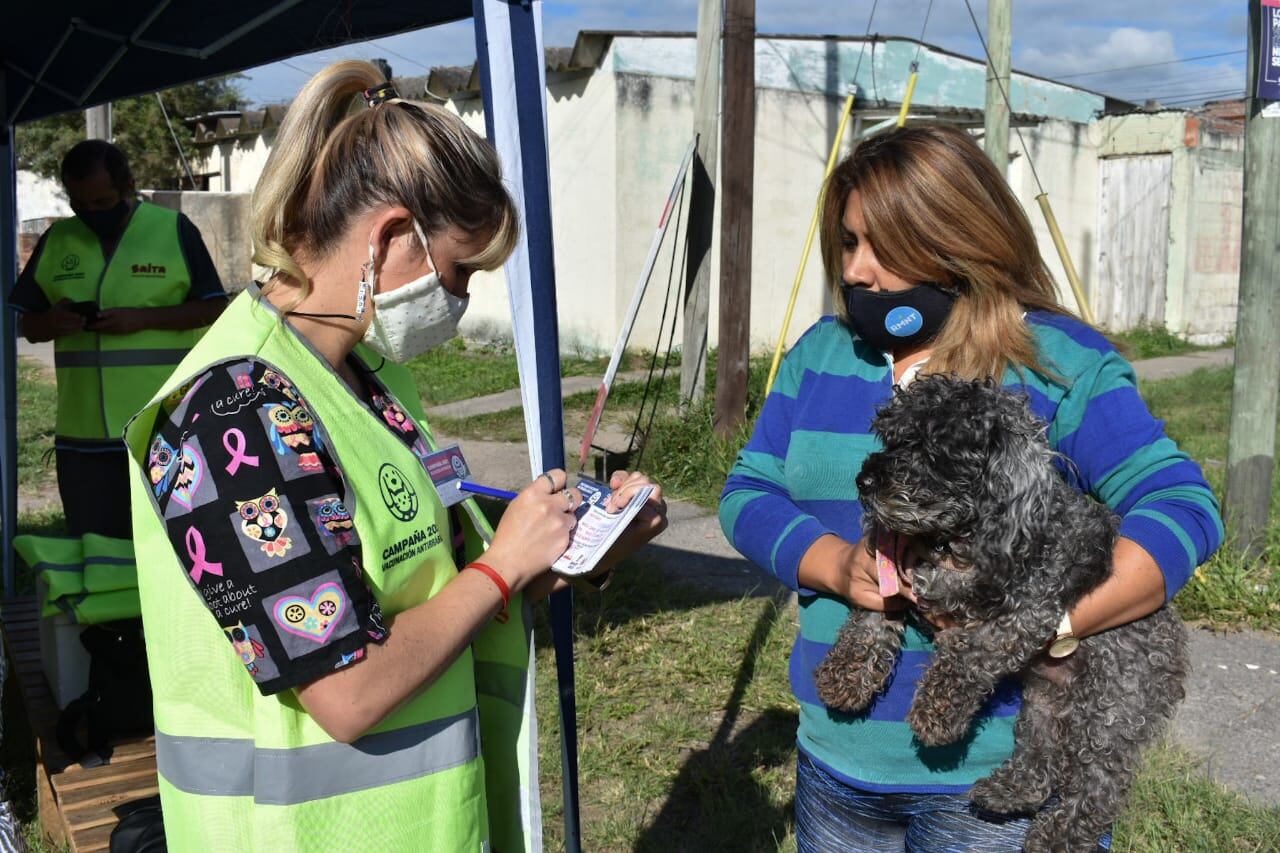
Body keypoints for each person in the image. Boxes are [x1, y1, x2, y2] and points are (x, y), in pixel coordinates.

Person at [122, 61, 667, 851]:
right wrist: (501, 567)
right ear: (389, 237)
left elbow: (425, 583)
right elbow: (347, 688)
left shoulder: (365, 377)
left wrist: (570, 551)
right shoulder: (233, 414)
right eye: (459, 270)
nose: (462, 297)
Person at [719, 125, 1222, 852]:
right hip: (837, 769)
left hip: (1000, 789)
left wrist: (1052, 625)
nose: (855, 270)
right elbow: (747, 490)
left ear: (953, 237)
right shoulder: (819, 356)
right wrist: (837, 565)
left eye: (880, 244)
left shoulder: (1058, 363)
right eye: (847, 242)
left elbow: (1183, 506)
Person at [11, 139, 227, 537]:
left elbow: (214, 307)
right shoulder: (58, 241)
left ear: (128, 186)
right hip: (83, 436)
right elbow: (26, 324)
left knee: (176, 542)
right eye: (80, 205)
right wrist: (52, 323)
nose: (91, 214)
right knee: (94, 544)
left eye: (102, 201)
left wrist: (141, 319)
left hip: (163, 427)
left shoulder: (173, 230)